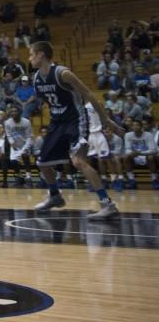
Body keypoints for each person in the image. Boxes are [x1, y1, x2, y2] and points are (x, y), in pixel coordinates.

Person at [29, 41, 123, 218]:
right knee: (42, 162)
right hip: (57, 122)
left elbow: (88, 94)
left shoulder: (62, 73)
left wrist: (106, 119)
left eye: (31, 54)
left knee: (78, 161)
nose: (30, 58)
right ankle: (55, 196)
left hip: (75, 119)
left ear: (41, 55)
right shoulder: (36, 79)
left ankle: (107, 204)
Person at [123, 120, 159, 189]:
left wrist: (140, 153)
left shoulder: (148, 135)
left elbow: (153, 150)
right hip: (134, 157)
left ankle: (154, 179)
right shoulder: (128, 135)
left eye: (137, 125)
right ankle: (131, 180)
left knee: (151, 157)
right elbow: (127, 149)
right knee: (126, 156)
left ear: (141, 127)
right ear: (131, 127)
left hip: (146, 156)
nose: (135, 127)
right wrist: (132, 153)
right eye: (133, 125)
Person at [3, 106, 33, 186]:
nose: (13, 113)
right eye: (12, 111)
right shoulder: (7, 122)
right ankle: (20, 177)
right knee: (13, 162)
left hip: (25, 144)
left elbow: (29, 136)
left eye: (15, 111)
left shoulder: (26, 122)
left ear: (20, 113)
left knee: (25, 157)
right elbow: (8, 135)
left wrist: (25, 148)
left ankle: (28, 177)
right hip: (14, 145)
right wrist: (12, 142)